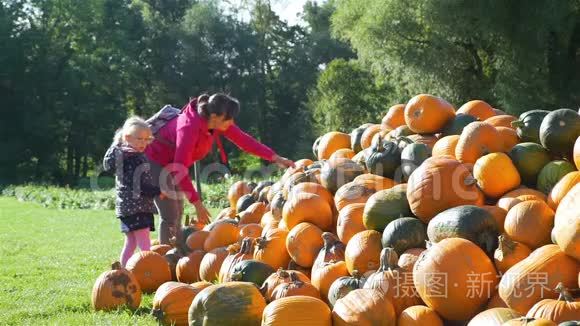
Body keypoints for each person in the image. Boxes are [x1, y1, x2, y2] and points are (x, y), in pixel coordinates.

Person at [145, 93, 294, 250]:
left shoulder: (214, 122)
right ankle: (164, 259)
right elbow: (179, 167)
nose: (232, 122)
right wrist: (197, 203)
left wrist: (275, 157)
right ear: (215, 116)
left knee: (177, 210)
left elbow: (244, 141)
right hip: (156, 160)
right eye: (229, 119)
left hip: (173, 163)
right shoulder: (188, 127)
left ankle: (176, 253)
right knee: (169, 214)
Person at [103, 117, 166, 266]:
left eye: (146, 139)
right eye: (139, 139)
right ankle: (149, 270)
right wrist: (157, 191)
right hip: (137, 207)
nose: (143, 143)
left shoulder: (124, 155)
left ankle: (123, 271)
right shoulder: (131, 158)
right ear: (127, 137)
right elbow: (137, 184)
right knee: (144, 244)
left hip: (127, 207)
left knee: (131, 242)